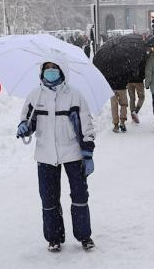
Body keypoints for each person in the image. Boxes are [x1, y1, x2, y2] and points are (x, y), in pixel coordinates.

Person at [15, 61, 96, 252]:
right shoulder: (35, 96)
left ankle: (84, 236)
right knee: (48, 199)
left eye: (54, 68)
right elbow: (27, 120)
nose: (50, 72)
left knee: (80, 196)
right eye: (47, 68)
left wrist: (88, 153)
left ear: (61, 71)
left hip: (73, 153)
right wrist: (24, 127)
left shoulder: (74, 95)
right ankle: (54, 237)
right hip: (45, 155)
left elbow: (86, 124)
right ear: (42, 71)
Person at [99, 54, 131, 133]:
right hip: (122, 87)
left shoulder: (108, 63)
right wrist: (126, 82)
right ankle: (123, 122)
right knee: (124, 104)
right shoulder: (124, 63)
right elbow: (127, 74)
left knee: (114, 106)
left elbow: (106, 75)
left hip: (112, 88)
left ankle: (116, 125)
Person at [127, 54, 146, 125]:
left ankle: (133, 116)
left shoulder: (127, 58)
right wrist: (142, 77)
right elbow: (144, 70)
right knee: (141, 97)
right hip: (138, 81)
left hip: (129, 81)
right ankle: (136, 111)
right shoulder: (141, 57)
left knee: (132, 98)